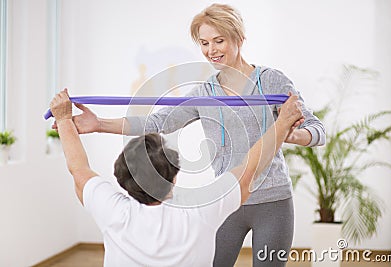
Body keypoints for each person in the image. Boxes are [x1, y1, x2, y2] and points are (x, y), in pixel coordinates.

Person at [55, 4, 326, 266]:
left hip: (273, 201)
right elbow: (160, 122)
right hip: (227, 201)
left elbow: (316, 129)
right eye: (204, 43)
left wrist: (295, 136)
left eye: (218, 41)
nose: (211, 50)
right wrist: (98, 123)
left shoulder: (271, 81)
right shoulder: (203, 93)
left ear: (239, 37)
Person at [49, 89, 304, 267]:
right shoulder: (201, 211)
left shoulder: (111, 210)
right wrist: (283, 123)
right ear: (175, 175)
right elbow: (249, 170)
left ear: (121, 179)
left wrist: (63, 119)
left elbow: (78, 169)